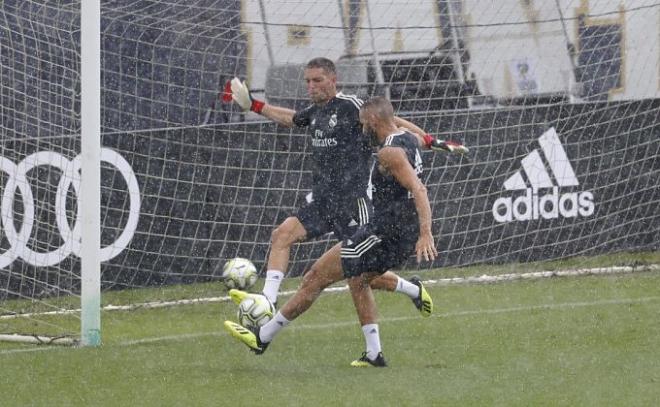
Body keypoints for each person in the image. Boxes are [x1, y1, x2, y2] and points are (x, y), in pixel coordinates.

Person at [224, 96, 437, 367]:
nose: (361, 130)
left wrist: (426, 233)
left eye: (363, 125)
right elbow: (414, 136)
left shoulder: (389, 153)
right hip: (397, 234)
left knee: (315, 277)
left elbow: (419, 189)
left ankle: (261, 337)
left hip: (382, 233)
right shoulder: (408, 138)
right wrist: (436, 142)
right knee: (358, 281)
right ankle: (374, 354)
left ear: (372, 122)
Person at [226, 57, 440, 313]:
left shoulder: (350, 105)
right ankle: (268, 302)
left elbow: (392, 120)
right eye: (307, 81)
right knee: (281, 235)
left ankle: (412, 290)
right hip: (323, 201)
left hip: (354, 204)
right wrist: (255, 105)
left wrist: (428, 138)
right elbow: (291, 119)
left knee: (359, 273)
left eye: (318, 80)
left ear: (333, 80)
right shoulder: (316, 112)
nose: (311, 86)